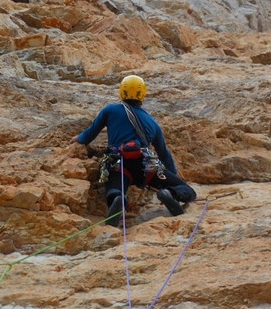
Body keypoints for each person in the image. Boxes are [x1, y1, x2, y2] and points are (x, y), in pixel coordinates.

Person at [70, 75, 196, 227]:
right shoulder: (152, 123)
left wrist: (78, 139)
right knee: (188, 191)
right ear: (142, 94)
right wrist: (172, 172)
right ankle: (170, 193)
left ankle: (117, 200)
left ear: (121, 92)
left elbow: (89, 134)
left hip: (119, 164)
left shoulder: (110, 110)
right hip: (145, 167)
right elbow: (163, 153)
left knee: (115, 189)